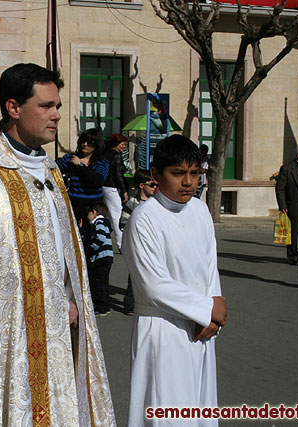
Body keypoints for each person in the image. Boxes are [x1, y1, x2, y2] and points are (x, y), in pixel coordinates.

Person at [0, 63, 115, 426]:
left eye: (57, 106)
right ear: (13, 108)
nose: (57, 115)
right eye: (46, 106)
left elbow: (62, 252)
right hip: (11, 338)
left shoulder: (48, 169)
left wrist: (71, 297)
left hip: (60, 328)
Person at [122, 135, 226, 427]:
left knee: (200, 410)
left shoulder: (200, 210)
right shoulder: (144, 219)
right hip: (163, 331)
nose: (188, 183)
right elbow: (154, 286)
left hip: (201, 328)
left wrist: (213, 305)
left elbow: (209, 264)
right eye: (178, 173)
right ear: (156, 175)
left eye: (194, 173)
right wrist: (206, 309)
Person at [119, 169, 155, 315]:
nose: (154, 187)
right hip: (138, 246)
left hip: (153, 245)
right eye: (151, 184)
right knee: (135, 275)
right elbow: (122, 223)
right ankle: (129, 304)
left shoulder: (156, 203)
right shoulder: (132, 203)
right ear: (141, 185)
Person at [56, 128, 109, 222]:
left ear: (97, 144)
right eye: (83, 141)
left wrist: (80, 165)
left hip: (93, 206)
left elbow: (97, 181)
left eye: (90, 142)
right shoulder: (70, 159)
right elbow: (53, 170)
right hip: (74, 203)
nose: (85, 144)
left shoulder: (101, 162)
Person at [83, 201, 114, 316]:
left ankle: (102, 307)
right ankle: (104, 305)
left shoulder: (99, 222)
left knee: (99, 283)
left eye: (88, 214)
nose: (87, 218)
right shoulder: (103, 223)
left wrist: (90, 249)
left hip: (101, 257)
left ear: (94, 212)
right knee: (102, 282)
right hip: (105, 257)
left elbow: (99, 238)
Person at [102, 133, 129, 250]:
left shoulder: (107, 154)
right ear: (117, 144)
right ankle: (121, 244)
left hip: (105, 186)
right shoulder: (117, 156)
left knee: (108, 215)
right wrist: (124, 191)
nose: (124, 146)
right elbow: (118, 175)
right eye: (122, 144)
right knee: (117, 214)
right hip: (112, 187)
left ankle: (102, 239)